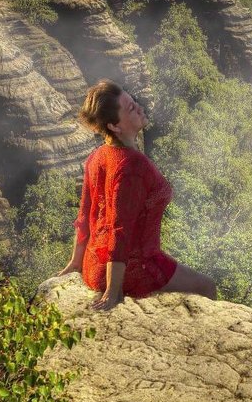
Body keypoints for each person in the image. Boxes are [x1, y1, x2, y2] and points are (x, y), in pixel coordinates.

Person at [60, 79, 217, 310]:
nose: (140, 107)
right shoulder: (132, 167)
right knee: (207, 287)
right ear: (115, 126)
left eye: (134, 102)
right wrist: (113, 293)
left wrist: (76, 262)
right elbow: (119, 231)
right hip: (135, 268)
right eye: (131, 108)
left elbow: (84, 216)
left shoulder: (98, 156)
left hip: (93, 264)